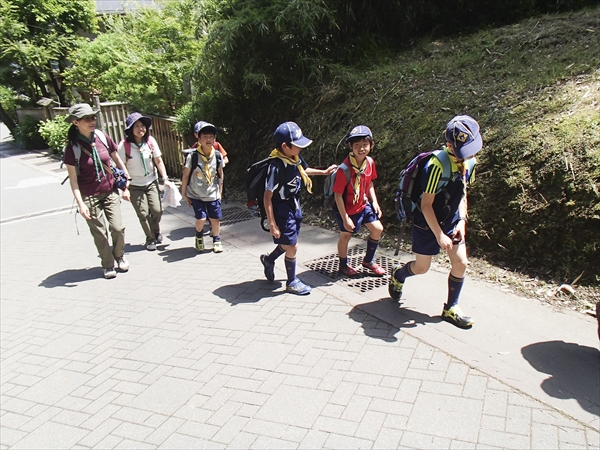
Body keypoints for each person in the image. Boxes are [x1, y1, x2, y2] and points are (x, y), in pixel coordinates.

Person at [388, 115, 483, 329]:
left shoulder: (470, 162)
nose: (470, 155)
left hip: (451, 218)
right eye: (465, 151)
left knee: (461, 263)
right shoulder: (436, 166)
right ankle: (398, 275)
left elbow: (463, 192)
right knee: (422, 268)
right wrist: (439, 234)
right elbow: (426, 205)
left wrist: (461, 222)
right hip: (427, 222)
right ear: (450, 146)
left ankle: (451, 307)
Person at [260, 121, 336, 295]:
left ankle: (269, 260)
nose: (301, 148)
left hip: (295, 205)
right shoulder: (276, 166)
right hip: (282, 208)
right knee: (292, 245)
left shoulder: (294, 158)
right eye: (297, 145)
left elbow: (304, 169)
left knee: (289, 242)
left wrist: (324, 173)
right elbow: (267, 197)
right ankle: (292, 281)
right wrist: (272, 223)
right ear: (285, 146)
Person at [63, 103, 132, 279]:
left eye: (93, 117)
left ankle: (119, 255)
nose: (92, 121)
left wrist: (126, 179)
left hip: (109, 191)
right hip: (89, 195)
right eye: (87, 118)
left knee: (117, 227)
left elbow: (116, 157)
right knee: (100, 232)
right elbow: (73, 180)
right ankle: (107, 264)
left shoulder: (101, 136)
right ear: (75, 122)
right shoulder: (72, 148)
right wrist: (80, 204)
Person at [332, 125, 385, 277]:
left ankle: (368, 260)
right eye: (357, 145)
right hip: (346, 209)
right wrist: (345, 218)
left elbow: (370, 184)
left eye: (365, 145)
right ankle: (343, 265)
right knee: (346, 236)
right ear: (351, 146)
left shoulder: (369, 162)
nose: (361, 149)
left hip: (362, 205)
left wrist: (374, 201)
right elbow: (337, 195)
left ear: (371, 145)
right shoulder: (345, 169)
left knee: (377, 229)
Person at [118, 112, 174, 251]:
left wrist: (165, 178)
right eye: (136, 126)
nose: (140, 129)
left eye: (142, 126)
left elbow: (158, 160)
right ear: (130, 129)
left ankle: (156, 230)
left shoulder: (150, 141)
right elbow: (121, 166)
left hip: (151, 181)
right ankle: (150, 239)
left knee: (157, 210)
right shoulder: (124, 145)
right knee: (143, 213)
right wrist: (125, 188)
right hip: (134, 185)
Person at [181, 121, 224, 253]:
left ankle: (217, 240)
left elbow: (221, 174)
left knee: (215, 219)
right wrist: (184, 194)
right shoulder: (193, 156)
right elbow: (186, 176)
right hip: (196, 194)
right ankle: (199, 236)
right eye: (204, 136)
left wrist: (220, 192)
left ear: (215, 139)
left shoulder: (217, 155)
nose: (208, 139)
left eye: (211, 136)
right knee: (201, 218)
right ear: (198, 139)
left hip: (213, 194)